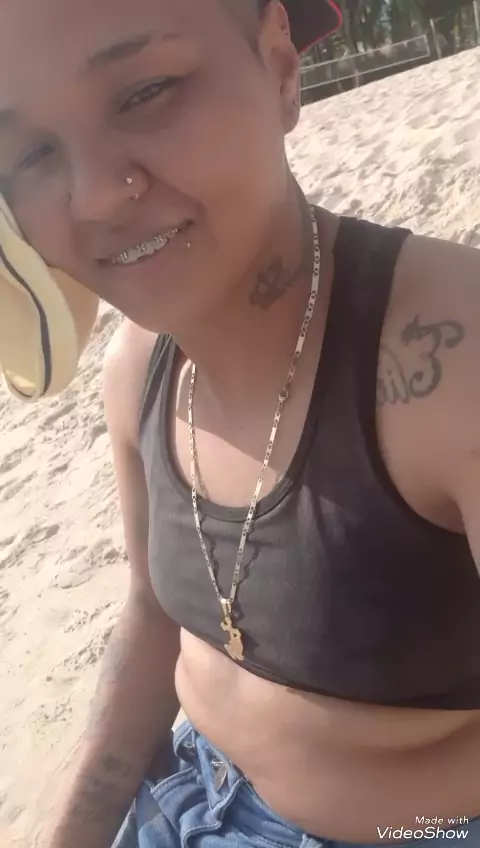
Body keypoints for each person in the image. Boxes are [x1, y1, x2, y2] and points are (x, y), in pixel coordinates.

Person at [0, 1, 479, 846]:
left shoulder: (453, 361)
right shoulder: (137, 371)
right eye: (31, 153)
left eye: (145, 92)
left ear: (280, 68)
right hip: (180, 792)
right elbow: (154, 611)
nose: (97, 196)